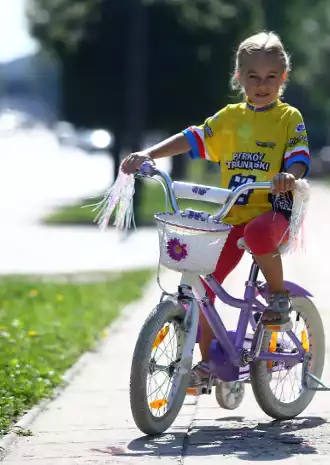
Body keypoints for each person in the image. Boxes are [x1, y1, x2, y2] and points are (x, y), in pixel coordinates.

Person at [121, 31, 310, 382]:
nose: (262, 84)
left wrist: (289, 175)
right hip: (233, 215)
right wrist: (149, 153)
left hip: (273, 213)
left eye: (271, 77)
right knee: (204, 285)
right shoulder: (230, 117)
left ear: (283, 78)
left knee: (257, 233)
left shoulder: (287, 117)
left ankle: (279, 296)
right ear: (239, 77)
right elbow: (193, 137)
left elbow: (299, 155)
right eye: (253, 76)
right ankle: (209, 363)